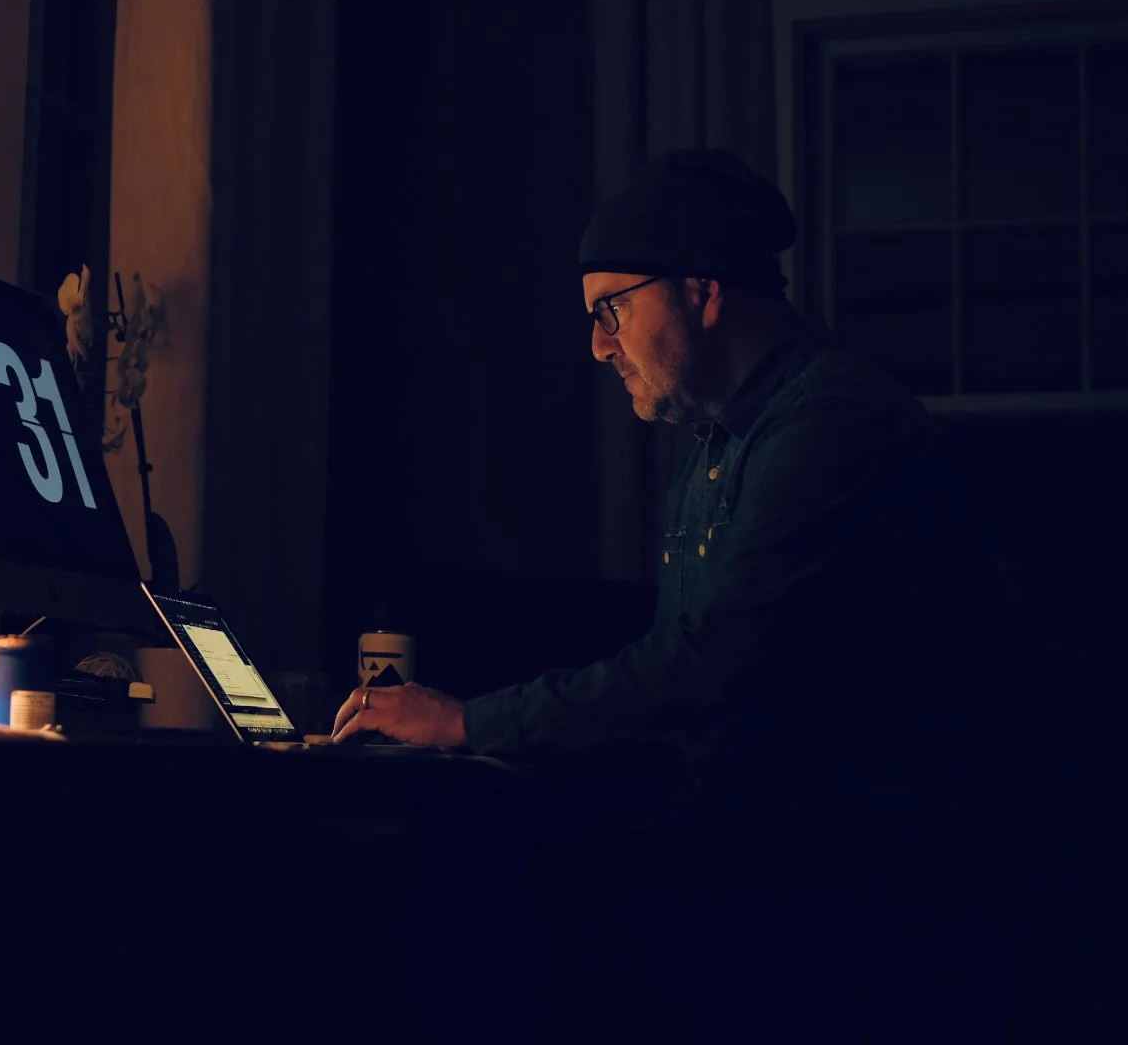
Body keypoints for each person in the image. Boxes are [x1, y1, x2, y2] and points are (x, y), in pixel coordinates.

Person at [330, 149, 1052, 1038]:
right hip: (770, 808)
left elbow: (701, 671)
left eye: (612, 310)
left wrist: (467, 722)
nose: (598, 344)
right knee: (465, 853)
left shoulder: (832, 422)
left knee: (564, 891)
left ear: (704, 292)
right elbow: (683, 657)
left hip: (888, 836)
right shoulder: (721, 440)